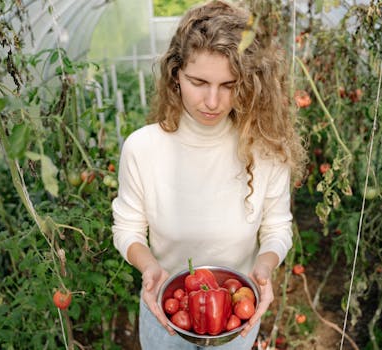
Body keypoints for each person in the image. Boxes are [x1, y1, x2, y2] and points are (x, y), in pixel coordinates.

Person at [111, 1, 307, 349]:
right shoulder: (142, 148)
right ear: (176, 75)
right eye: (198, 82)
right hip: (166, 316)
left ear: (248, 84)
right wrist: (149, 268)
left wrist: (264, 267)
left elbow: (277, 228)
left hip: (235, 322)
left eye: (229, 85)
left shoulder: (266, 150)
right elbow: (128, 228)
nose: (212, 101)